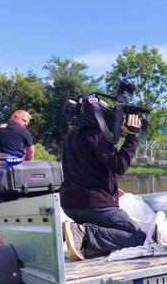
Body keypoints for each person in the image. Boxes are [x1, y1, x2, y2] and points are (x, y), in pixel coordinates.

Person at [60, 112, 146, 261]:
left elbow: (88, 168)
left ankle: (82, 237)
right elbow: (119, 166)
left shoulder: (71, 136)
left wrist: (111, 189)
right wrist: (132, 136)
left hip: (70, 206)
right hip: (95, 205)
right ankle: (84, 233)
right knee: (138, 237)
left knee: (115, 233)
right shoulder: (96, 134)